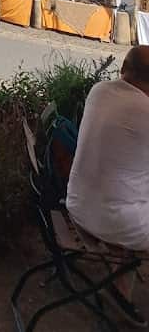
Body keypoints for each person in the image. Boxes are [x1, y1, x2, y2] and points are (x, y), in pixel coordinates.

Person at [66, 46, 149, 253]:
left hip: (78, 207)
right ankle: (121, 274)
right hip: (119, 226)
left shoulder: (99, 90)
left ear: (123, 67)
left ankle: (120, 279)